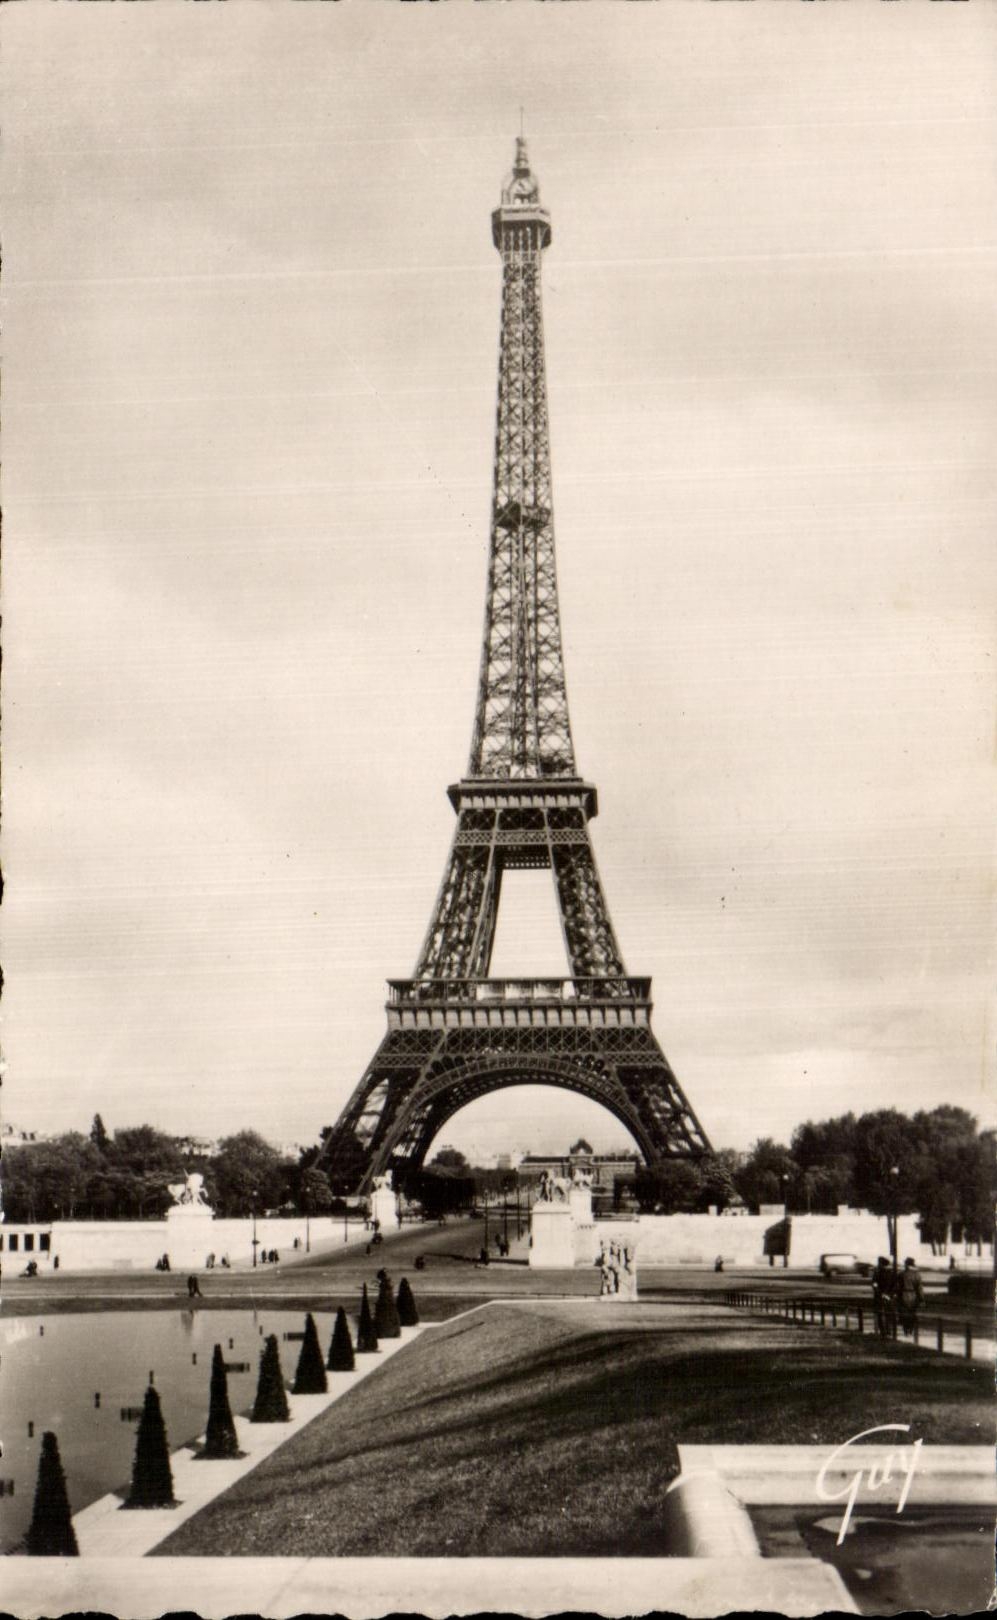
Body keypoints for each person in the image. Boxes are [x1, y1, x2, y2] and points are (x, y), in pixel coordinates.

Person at [897, 1258, 925, 1335]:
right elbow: (919, 1288)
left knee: (904, 1313)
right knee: (912, 1312)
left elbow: (898, 1287)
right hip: (913, 1295)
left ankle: (906, 1329)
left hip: (904, 1295)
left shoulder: (901, 1274)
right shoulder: (917, 1275)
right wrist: (921, 1299)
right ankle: (911, 1329)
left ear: (906, 1264)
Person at [872, 1256, 895, 1339]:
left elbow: (874, 1284)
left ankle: (883, 1331)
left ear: (881, 1264)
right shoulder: (892, 1273)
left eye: (879, 1263)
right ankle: (889, 1330)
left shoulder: (877, 1272)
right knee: (888, 1313)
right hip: (889, 1296)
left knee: (880, 1313)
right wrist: (889, 1294)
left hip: (879, 1296)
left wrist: (879, 1293)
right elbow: (894, 1286)